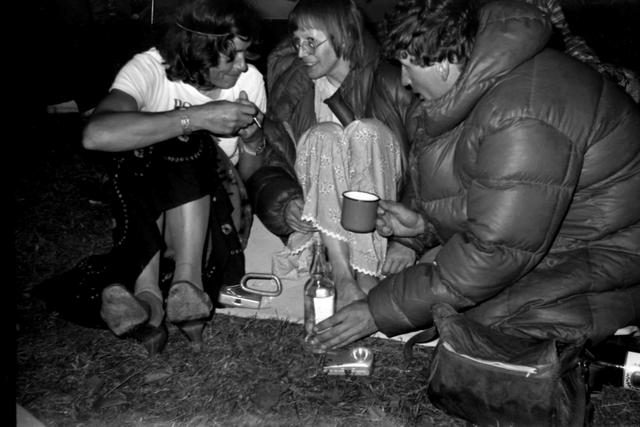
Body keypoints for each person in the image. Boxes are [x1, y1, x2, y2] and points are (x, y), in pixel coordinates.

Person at [308, 0, 640, 352]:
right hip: (566, 234)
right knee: (455, 305)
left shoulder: (523, 114)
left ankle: (617, 351)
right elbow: (501, 197)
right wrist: (424, 225)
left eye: (407, 66)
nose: (404, 82)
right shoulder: (492, 85)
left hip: (611, 248)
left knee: (481, 326)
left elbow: (494, 252)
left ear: (444, 61)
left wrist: (374, 312)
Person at [82, 0, 267, 355]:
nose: (243, 65)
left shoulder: (250, 82)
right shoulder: (149, 68)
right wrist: (195, 116)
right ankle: (154, 302)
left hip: (218, 222)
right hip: (150, 213)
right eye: (233, 56)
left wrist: (254, 141)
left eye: (245, 54)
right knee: (153, 137)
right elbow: (96, 135)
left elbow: (248, 185)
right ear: (199, 50)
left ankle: (177, 284)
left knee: (185, 138)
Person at [246, 0, 418, 310]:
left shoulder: (393, 80)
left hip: (387, 208)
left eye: (311, 41)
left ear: (343, 36)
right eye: (297, 41)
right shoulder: (293, 89)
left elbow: (427, 161)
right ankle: (344, 278)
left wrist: (408, 241)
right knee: (322, 135)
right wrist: (285, 203)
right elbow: (272, 161)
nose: (301, 52)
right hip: (324, 211)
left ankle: (367, 272)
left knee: (364, 131)